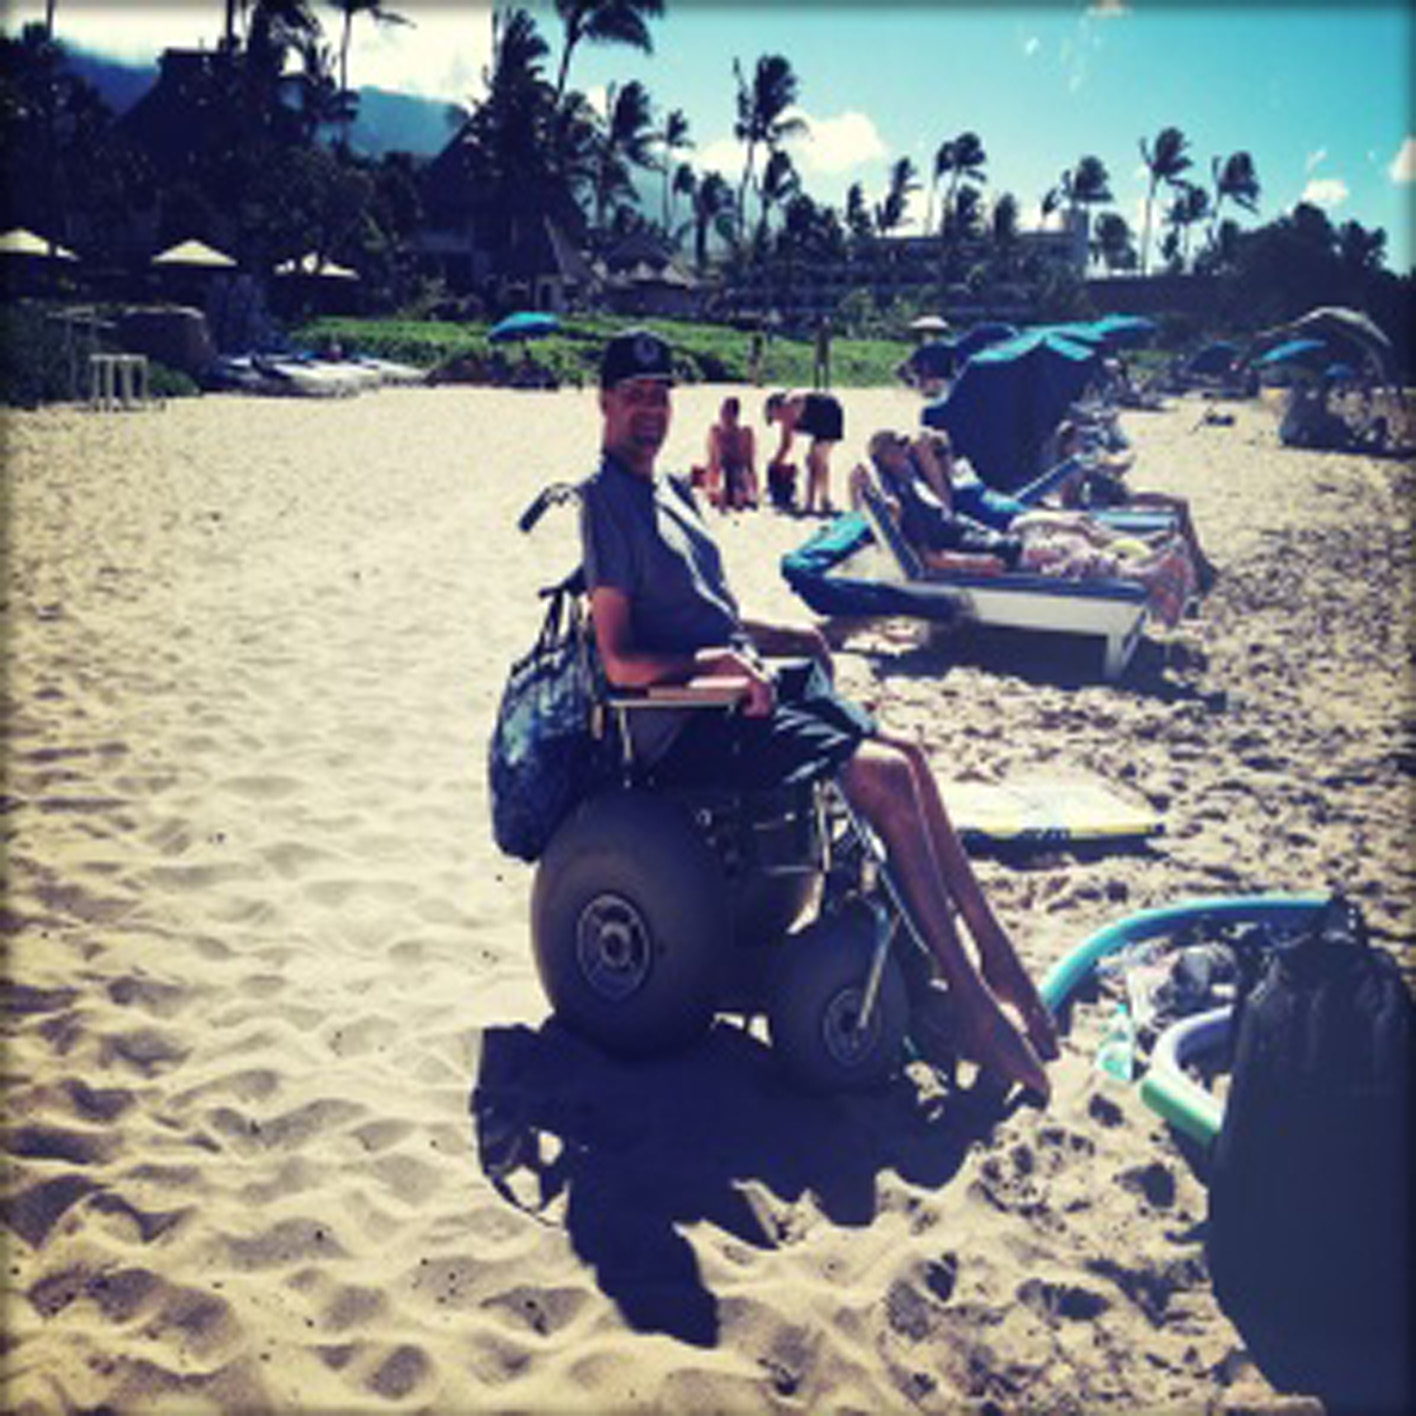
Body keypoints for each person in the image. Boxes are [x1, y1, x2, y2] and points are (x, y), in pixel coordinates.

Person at [581, 329, 1059, 1102]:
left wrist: (779, 638)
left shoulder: (668, 490)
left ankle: (993, 953)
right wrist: (720, 667)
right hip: (689, 721)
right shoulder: (606, 503)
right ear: (603, 402)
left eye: (661, 393)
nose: (650, 409)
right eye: (634, 395)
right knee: (883, 781)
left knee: (907, 754)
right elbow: (621, 661)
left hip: (738, 688)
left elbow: (714, 618)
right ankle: (972, 1003)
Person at [856, 431, 1196, 628]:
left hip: (1001, 542)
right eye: (894, 449)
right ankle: (1152, 578)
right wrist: (972, 565)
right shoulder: (908, 506)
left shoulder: (916, 488)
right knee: (1072, 556)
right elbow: (928, 557)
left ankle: (1147, 571)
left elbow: (934, 491)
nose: (903, 451)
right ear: (883, 460)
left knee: (1072, 542)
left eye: (902, 447)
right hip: (995, 554)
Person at [1049, 420, 1218, 590]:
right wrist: (1105, 505)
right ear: (1067, 444)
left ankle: (1200, 564)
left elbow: (1113, 469)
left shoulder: (1079, 462)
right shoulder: (1067, 470)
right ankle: (1200, 568)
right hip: (1117, 502)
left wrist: (1111, 465)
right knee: (1179, 507)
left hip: (1119, 499)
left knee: (1180, 505)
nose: (1081, 441)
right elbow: (1072, 505)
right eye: (1077, 439)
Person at [765, 389, 843, 516]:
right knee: (821, 461)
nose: (777, 421)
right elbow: (787, 444)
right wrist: (777, 461)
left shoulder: (787, 407)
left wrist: (774, 463)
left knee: (813, 461)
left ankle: (810, 504)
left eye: (774, 417)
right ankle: (825, 500)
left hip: (828, 413)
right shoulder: (789, 406)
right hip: (830, 411)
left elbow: (786, 444)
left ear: (775, 408)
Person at [704, 395, 759, 510]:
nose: (725, 417)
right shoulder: (716, 432)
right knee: (721, 486)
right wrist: (710, 484)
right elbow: (712, 461)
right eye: (724, 413)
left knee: (739, 480)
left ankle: (739, 495)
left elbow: (750, 463)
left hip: (739, 471)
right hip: (722, 470)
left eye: (729, 414)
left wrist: (753, 488)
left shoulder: (745, 433)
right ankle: (726, 495)